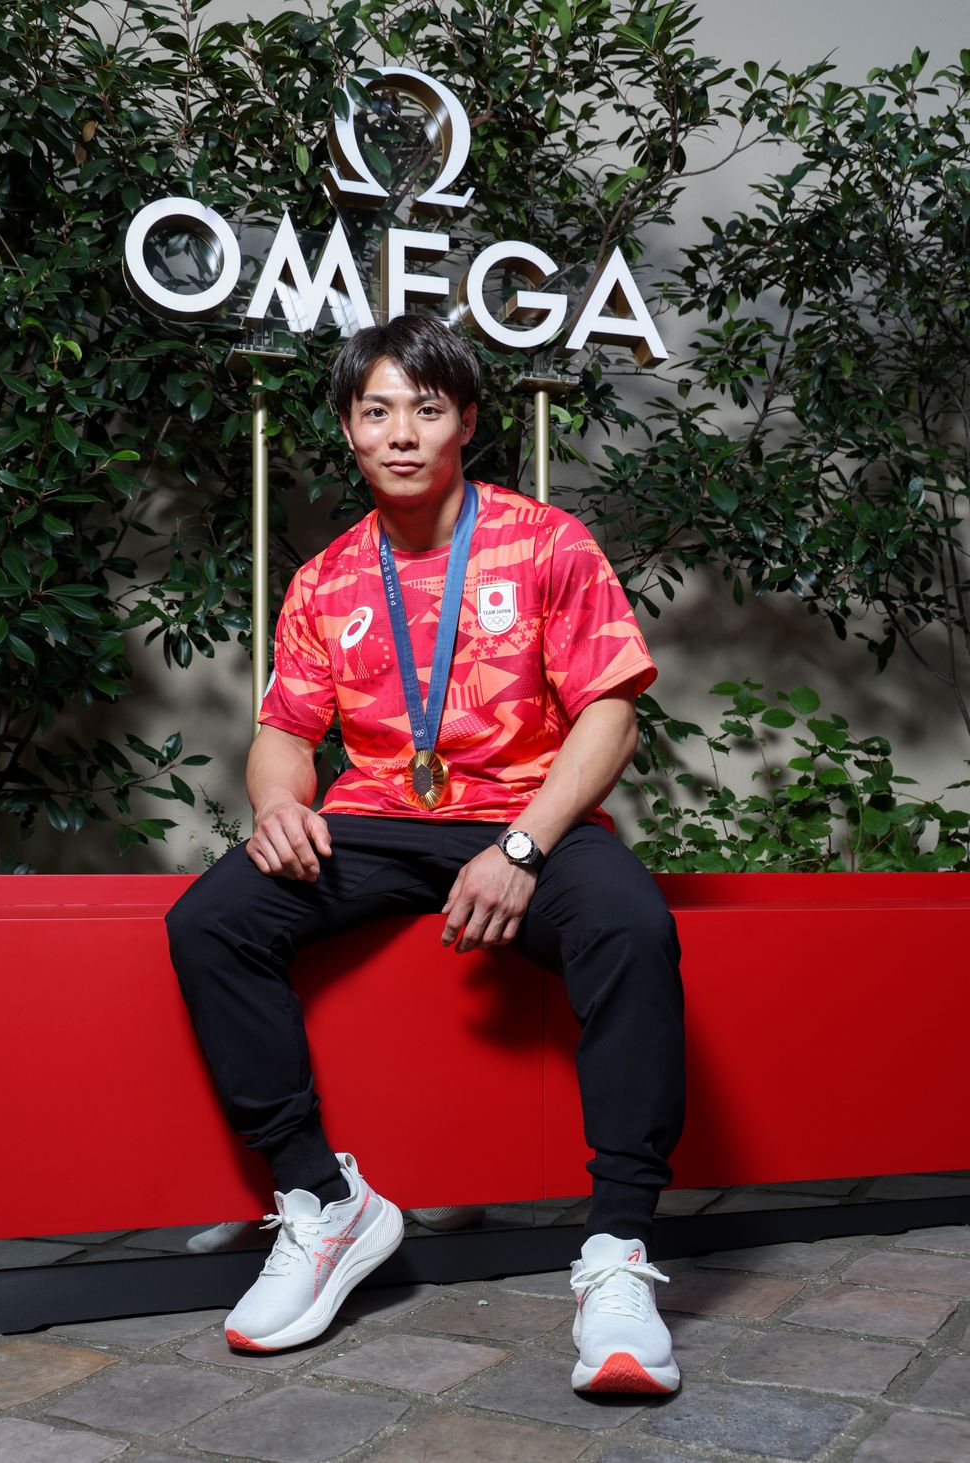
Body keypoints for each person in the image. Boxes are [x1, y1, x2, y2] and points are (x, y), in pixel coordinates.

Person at [165, 313, 685, 1394]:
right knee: (209, 919)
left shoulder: (547, 541)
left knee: (630, 924)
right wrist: (274, 806)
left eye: (428, 408)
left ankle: (618, 1252)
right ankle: (325, 1201)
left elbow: (611, 714)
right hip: (376, 820)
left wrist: (522, 844)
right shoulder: (326, 577)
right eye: (376, 410)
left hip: (524, 812)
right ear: (349, 431)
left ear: (468, 423)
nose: (402, 432)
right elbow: (283, 732)